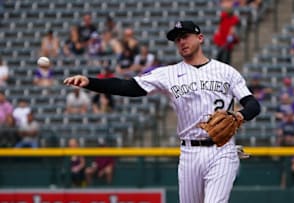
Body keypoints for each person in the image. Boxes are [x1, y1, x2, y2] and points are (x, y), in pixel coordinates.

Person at [64, 20, 261, 203]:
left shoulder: (226, 71)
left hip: (222, 151)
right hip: (190, 152)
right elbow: (128, 87)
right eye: (177, 39)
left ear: (200, 38)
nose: (181, 42)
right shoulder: (168, 74)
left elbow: (253, 104)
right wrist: (91, 82)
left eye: (185, 36)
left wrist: (238, 116)